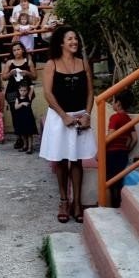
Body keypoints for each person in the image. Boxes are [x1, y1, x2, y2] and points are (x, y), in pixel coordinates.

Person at [40, 27, 96, 224]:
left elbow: (90, 92)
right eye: (70, 38)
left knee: (78, 161)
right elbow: (47, 94)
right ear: (61, 43)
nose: (74, 42)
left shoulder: (83, 63)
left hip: (80, 116)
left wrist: (88, 114)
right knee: (61, 160)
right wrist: (63, 116)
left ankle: (77, 203)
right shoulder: (51, 64)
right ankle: (64, 201)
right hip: (59, 118)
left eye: (76, 38)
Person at [105, 90, 138, 208]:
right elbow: (134, 138)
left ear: (118, 103)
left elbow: (110, 136)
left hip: (111, 153)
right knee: (118, 181)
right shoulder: (128, 119)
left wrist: (100, 151)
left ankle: (107, 207)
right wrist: (126, 149)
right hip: (122, 153)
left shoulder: (115, 117)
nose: (112, 104)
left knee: (107, 182)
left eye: (113, 101)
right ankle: (118, 205)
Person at [12, 80, 38, 155]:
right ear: (18, 90)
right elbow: (16, 107)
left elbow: (32, 87)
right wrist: (22, 103)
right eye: (21, 90)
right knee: (23, 133)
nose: (23, 92)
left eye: (24, 90)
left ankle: (30, 147)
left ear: (27, 91)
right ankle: (25, 146)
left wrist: (31, 86)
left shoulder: (28, 97)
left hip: (28, 118)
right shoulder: (17, 98)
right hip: (21, 118)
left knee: (29, 133)